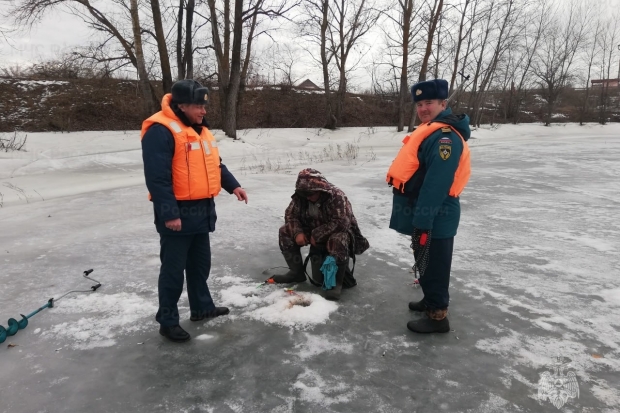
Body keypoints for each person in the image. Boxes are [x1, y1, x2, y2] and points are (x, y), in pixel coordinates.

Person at [140, 79, 248, 343]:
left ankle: (201, 307)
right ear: (182, 105)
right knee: (173, 272)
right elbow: (158, 178)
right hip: (177, 212)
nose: (203, 111)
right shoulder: (160, 130)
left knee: (200, 266)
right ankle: (167, 321)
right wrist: (169, 213)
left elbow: (215, 166)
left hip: (202, 210)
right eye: (198, 106)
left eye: (204, 106)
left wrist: (233, 186)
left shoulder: (200, 131)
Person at [386, 78, 471, 334]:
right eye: (420, 104)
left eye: (429, 103)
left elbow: (437, 183)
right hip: (422, 209)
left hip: (436, 212)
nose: (423, 108)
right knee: (423, 258)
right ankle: (429, 299)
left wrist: (423, 220)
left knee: (435, 263)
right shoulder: (431, 130)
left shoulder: (445, 138)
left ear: (443, 103)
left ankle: (437, 316)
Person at [268, 168, 369, 300]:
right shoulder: (301, 197)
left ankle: (335, 284)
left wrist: (317, 235)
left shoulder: (337, 196)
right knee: (285, 231)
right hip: (312, 229)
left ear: (321, 189)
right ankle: (296, 273)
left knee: (338, 239)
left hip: (337, 232)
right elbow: (290, 216)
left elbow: (341, 223)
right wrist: (298, 232)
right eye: (304, 194)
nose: (308, 197)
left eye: (311, 193)